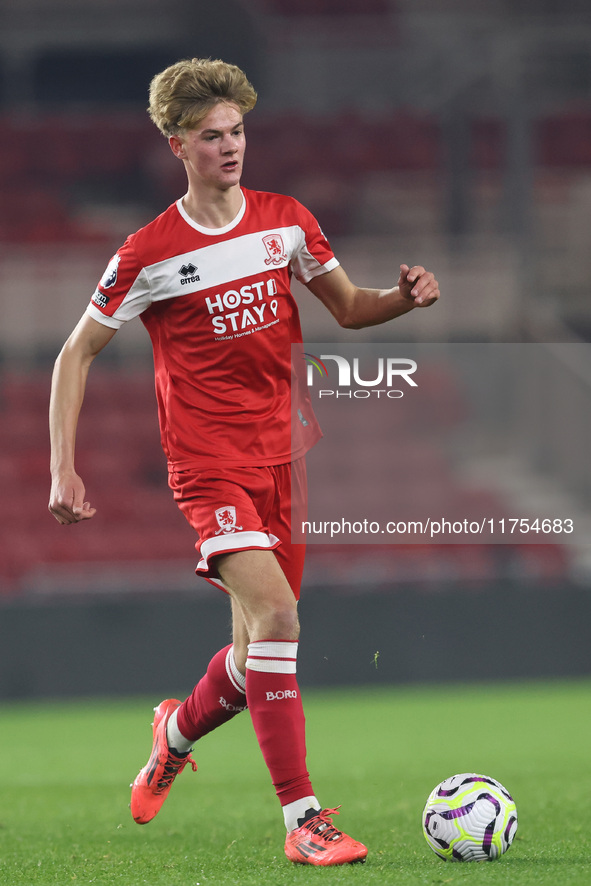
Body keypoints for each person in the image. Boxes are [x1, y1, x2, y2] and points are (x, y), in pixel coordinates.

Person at [48, 57, 440, 867]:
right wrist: (63, 467)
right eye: (211, 137)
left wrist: (401, 296)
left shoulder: (286, 220)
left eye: (236, 132)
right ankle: (303, 820)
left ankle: (174, 732)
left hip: (282, 457)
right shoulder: (147, 252)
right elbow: (75, 354)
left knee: (250, 653)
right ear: (175, 145)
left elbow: (351, 308)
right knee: (281, 621)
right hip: (207, 466)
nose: (230, 148)